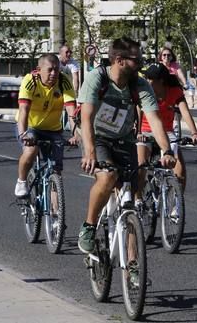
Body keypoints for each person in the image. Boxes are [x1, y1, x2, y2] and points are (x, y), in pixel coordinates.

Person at [76, 37, 176, 256]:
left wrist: (166, 150)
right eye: (136, 59)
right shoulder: (97, 78)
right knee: (108, 177)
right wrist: (90, 153)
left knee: (129, 201)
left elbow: (155, 119)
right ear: (120, 60)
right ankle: (89, 228)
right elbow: (86, 118)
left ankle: (132, 267)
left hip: (124, 139)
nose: (141, 63)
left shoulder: (139, 84)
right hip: (97, 137)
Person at [14, 54, 76, 197]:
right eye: (50, 70)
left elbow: (71, 110)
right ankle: (21, 181)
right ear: (39, 69)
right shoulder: (30, 80)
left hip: (53, 129)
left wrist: (75, 133)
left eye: (57, 69)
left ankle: (55, 216)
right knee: (30, 151)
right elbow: (23, 109)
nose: (54, 73)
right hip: (30, 126)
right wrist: (24, 134)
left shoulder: (63, 81)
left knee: (56, 172)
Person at [136, 63, 197, 197]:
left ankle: (176, 207)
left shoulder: (174, 91)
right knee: (140, 166)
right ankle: (138, 202)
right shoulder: (144, 91)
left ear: (161, 81)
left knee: (180, 167)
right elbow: (138, 111)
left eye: (151, 78)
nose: (147, 81)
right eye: (146, 77)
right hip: (145, 131)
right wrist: (138, 132)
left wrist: (194, 133)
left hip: (167, 133)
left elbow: (185, 112)